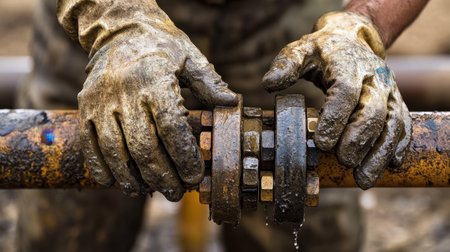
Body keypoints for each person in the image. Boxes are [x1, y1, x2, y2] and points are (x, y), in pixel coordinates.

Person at [16, 0, 429, 251]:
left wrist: (363, 26)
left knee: (303, 229)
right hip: (105, 24)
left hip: (286, 19)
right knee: (71, 222)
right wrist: (118, 24)